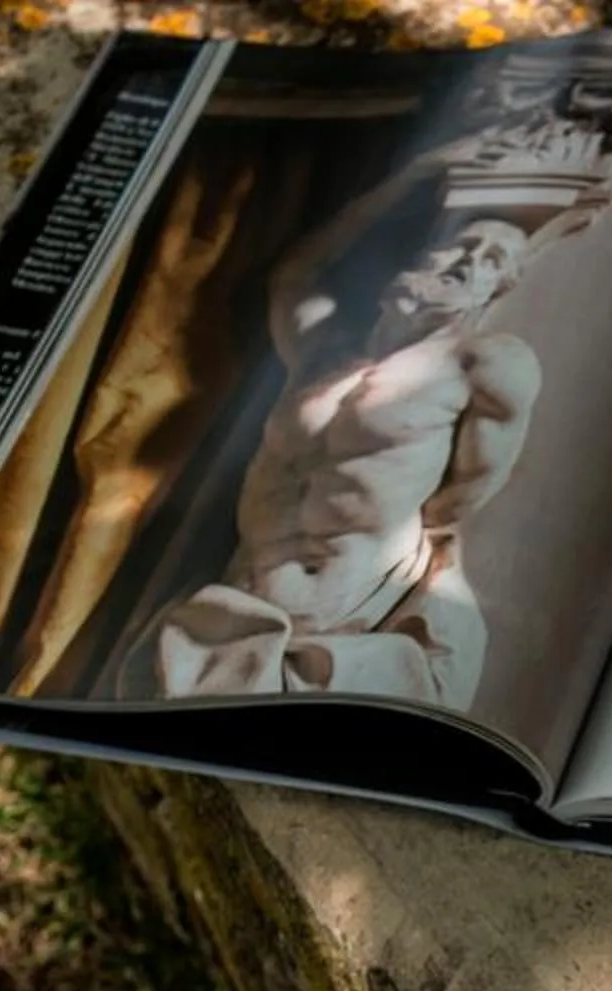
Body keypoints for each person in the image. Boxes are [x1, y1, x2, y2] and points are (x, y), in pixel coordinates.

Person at [138, 215, 541, 708]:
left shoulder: (482, 365)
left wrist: (374, 514)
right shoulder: (322, 354)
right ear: (425, 251)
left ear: (495, 289)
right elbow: (294, 274)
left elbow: (462, 497)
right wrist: (408, 181)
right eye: (461, 245)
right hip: (238, 598)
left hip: (345, 610)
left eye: (490, 261)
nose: (467, 263)